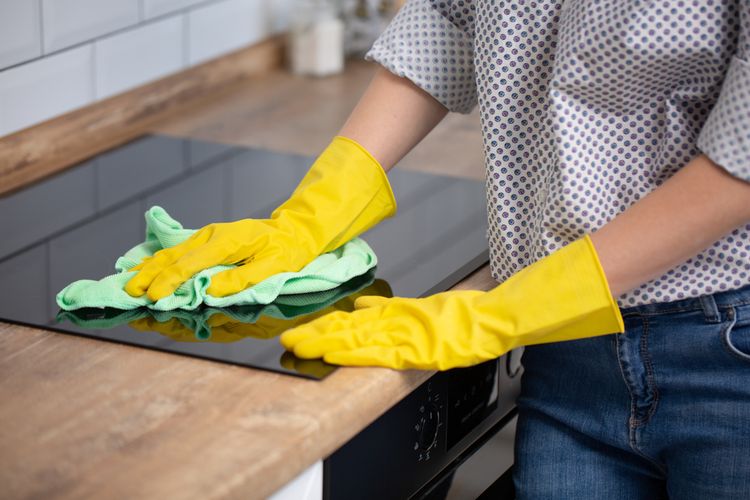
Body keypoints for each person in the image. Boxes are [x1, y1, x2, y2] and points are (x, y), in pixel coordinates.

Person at [125, 1, 750, 497]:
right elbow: (446, 20)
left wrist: (505, 313)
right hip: (564, 354)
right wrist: (310, 216)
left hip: (722, 354)